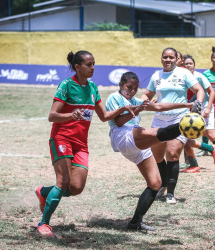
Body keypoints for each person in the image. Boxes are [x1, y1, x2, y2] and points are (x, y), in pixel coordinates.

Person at [34, 50, 137, 238]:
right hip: (61, 138)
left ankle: (43, 192)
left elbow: (104, 116)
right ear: (77, 66)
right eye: (88, 65)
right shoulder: (66, 85)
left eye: (93, 64)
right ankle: (44, 224)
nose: (93, 68)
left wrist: (123, 108)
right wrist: (69, 115)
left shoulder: (92, 88)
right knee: (63, 181)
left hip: (81, 144)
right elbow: (52, 116)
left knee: (75, 188)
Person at [106, 72, 194, 230]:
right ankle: (186, 125)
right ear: (121, 85)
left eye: (135, 88)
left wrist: (185, 105)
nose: (132, 91)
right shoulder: (114, 97)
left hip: (134, 140)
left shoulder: (135, 100)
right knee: (160, 133)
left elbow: (159, 106)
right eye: (128, 87)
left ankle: (135, 222)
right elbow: (118, 122)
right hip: (122, 135)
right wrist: (138, 110)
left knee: (155, 183)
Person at [140, 47, 205, 204]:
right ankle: (162, 184)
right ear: (161, 59)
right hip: (159, 120)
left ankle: (171, 192)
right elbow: (147, 94)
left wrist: (199, 103)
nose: (167, 60)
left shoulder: (183, 73)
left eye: (171, 57)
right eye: (165, 57)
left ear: (177, 59)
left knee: (173, 153)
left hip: (179, 119)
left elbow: (199, 90)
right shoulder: (156, 75)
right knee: (157, 155)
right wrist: (143, 100)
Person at [181, 54, 215, 172]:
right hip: (189, 110)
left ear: (194, 65)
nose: (188, 66)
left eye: (190, 64)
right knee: (185, 135)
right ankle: (190, 162)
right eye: (186, 64)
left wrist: (208, 108)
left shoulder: (199, 77)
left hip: (204, 109)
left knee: (211, 135)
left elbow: (211, 92)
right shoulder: (181, 77)